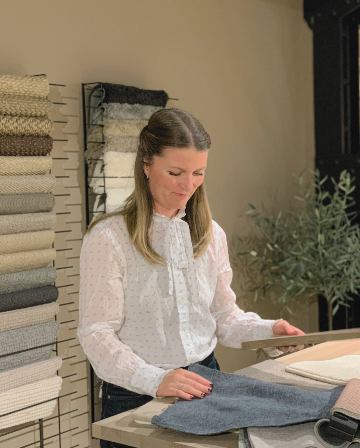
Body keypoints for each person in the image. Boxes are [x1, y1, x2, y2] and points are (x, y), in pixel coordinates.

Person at [77, 108, 305, 448]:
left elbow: (223, 317)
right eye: (175, 172)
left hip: (207, 383)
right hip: (135, 395)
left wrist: (269, 332)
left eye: (198, 172)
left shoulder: (212, 235)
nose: (188, 185)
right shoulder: (108, 238)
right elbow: (96, 333)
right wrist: (155, 379)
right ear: (146, 164)